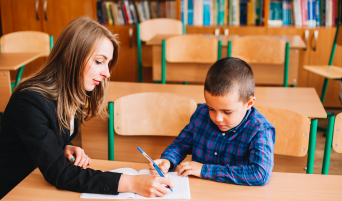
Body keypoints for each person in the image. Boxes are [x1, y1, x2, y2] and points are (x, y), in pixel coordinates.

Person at [0, 17, 173, 199]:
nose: (107, 73)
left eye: (108, 63)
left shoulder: (72, 91)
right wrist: (133, 183)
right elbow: (59, 173)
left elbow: (42, 139)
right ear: (69, 55)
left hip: (37, 182)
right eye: (99, 61)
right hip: (15, 190)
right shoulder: (29, 101)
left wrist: (63, 146)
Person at [149, 57, 275, 186]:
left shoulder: (260, 130)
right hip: (199, 190)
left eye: (227, 112)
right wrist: (168, 160)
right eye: (211, 108)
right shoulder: (201, 114)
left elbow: (259, 174)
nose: (217, 118)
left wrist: (204, 170)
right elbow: (181, 144)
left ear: (249, 103)